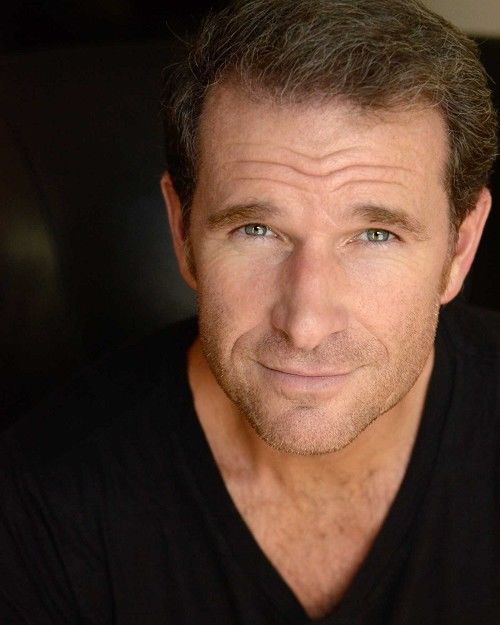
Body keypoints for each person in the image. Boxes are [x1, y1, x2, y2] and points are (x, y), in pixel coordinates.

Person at [1, 0, 499, 623]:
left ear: (460, 247)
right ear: (181, 231)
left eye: (376, 235)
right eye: (256, 229)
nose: (305, 324)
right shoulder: (38, 508)